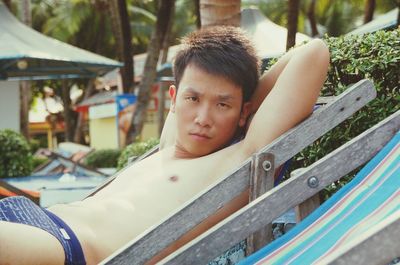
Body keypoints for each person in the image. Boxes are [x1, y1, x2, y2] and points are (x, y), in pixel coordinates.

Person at [0, 26, 329, 265]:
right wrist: (229, 103)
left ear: (246, 112)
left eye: (221, 105)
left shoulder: (239, 160)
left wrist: (241, 110)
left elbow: (313, 52)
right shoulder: (168, 145)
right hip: (28, 217)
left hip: (61, 246)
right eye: (193, 99)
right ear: (173, 99)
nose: (202, 117)